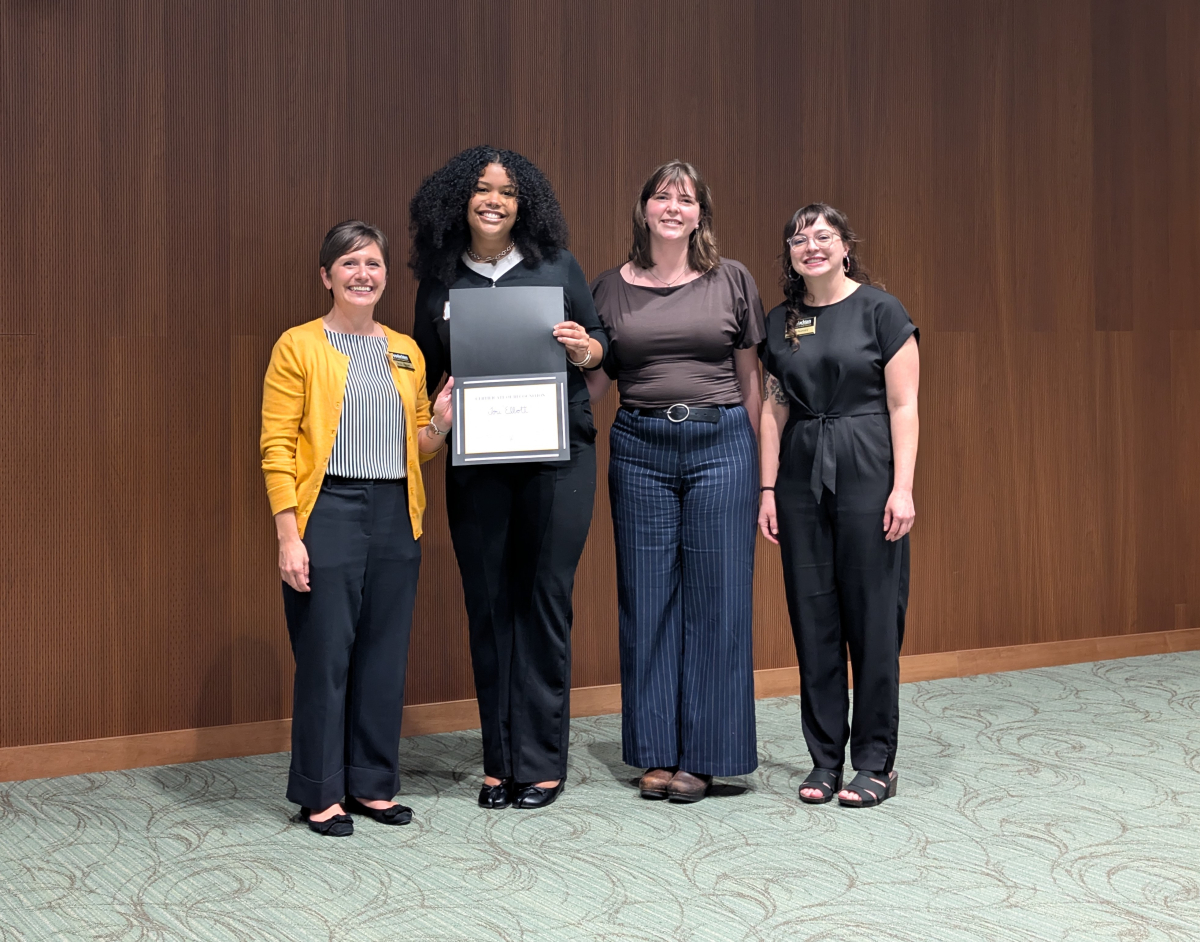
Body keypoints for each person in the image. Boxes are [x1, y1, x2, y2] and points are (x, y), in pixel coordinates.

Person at [410, 146, 608, 810]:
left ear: (527, 206)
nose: (494, 200)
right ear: (459, 199)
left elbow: (600, 344)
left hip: (558, 459)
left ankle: (541, 761)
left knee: (542, 602)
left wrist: (587, 348)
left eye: (508, 192)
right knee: (490, 607)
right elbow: (427, 370)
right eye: (481, 188)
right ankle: (500, 761)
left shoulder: (556, 267)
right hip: (478, 461)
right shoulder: (440, 281)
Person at [261, 220, 453, 836]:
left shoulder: (405, 349)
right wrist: (290, 537)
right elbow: (276, 449)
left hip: (398, 514)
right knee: (325, 656)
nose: (362, 274)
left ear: (385, 275)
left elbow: (418, 444)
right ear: (326, 276)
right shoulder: (298, 345)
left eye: (372, 264)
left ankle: (372, 785)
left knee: (384, 654)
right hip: (329, 512)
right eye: (349, 264)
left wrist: (443, 425)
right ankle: (320, 793)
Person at [586, 160, 764, 803]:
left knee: (718, 601)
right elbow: (597, 383)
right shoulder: (609, 288)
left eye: (686, 199)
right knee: (647, 596)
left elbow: (752, 383)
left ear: (700, 215)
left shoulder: (732, 281)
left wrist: (758, 474)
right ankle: (657, 750)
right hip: (638, 447)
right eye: (662, 195)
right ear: (643, 209)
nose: (673, 206)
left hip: (721, 445)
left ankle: (708, 754)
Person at [758, 203, 919, 808]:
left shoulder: (883, 310)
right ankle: (825, 760)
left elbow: (905, 406)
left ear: (846, 246)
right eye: (799, 240)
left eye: (823, 237)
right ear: (791, 256)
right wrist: (768, 489)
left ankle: (876, 762)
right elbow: (772, 410)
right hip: (800, 474)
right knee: (813, 617)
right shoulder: (780, 321)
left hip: (867, 467)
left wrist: (902, 487)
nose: (811, 247)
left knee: (873, 617)